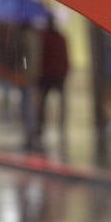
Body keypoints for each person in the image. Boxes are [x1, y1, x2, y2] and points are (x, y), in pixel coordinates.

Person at [31, 14, 69, 153]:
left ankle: (41, 129)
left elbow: (39, 57)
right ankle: (60, 125)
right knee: (58, 102)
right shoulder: (59, 38)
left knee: (42, 104)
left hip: (47, 75)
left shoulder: (44, 38)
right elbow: (65, 56)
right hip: (57, 74)